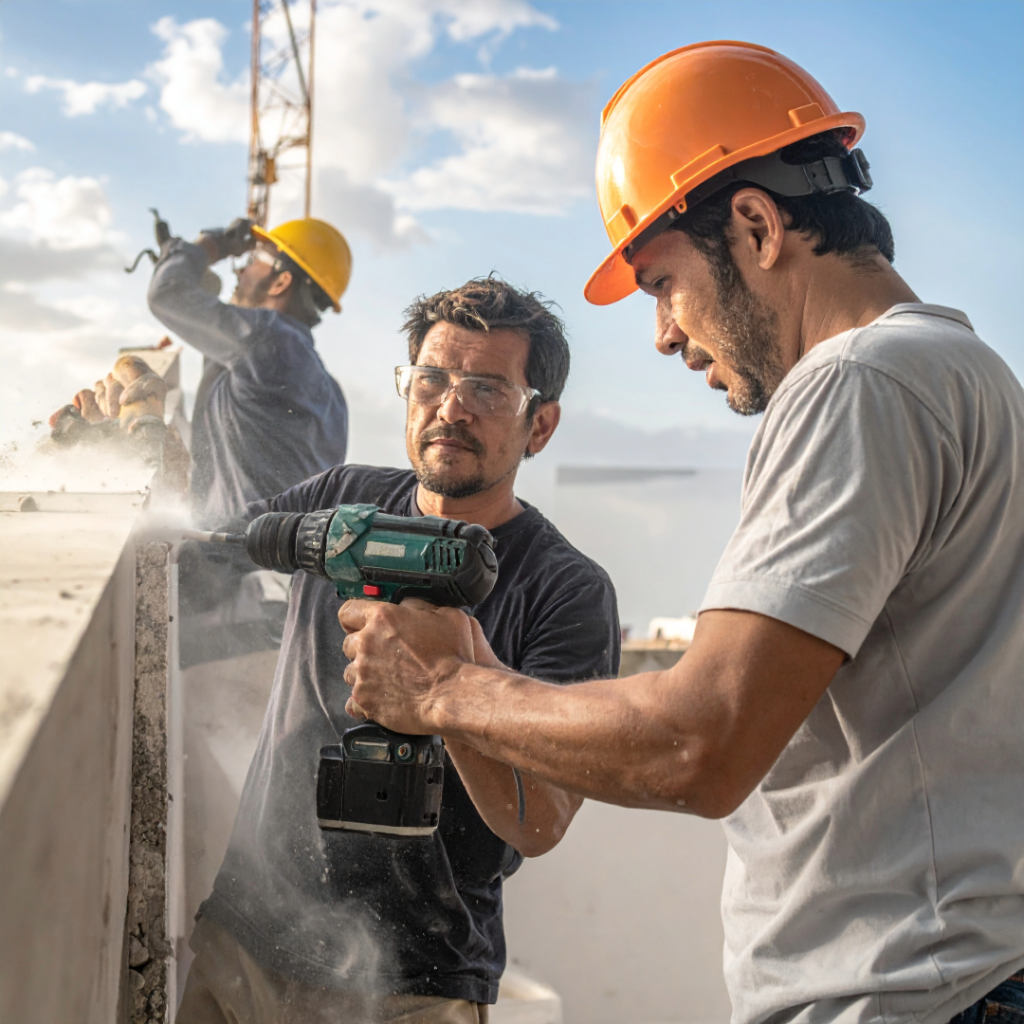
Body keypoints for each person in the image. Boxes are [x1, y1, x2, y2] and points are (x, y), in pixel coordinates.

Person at [339, 42, 1024, 1023]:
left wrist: (446, 687)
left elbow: (696, 743)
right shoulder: (973, 376)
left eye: (660, 282)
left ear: (753, 222)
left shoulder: (855, 385)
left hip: (904, 990)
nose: (661, 333)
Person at [175, 277, 620, 1023]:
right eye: (432, 380)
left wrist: (447, 685)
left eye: (488, 389)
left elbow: (539, 821)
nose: (452, 406)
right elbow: (197, 559)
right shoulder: (342, 500)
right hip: (243, 944)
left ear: (539, 424)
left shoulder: (566, 590)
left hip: (415, 987)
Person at [148, 215, 351, 528]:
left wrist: (208, 247)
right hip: (276, 566)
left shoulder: (269, 338)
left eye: (255, 259)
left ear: (281, 281)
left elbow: (167, 293)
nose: (241, 270)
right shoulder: (331, 394)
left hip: (230, 562)